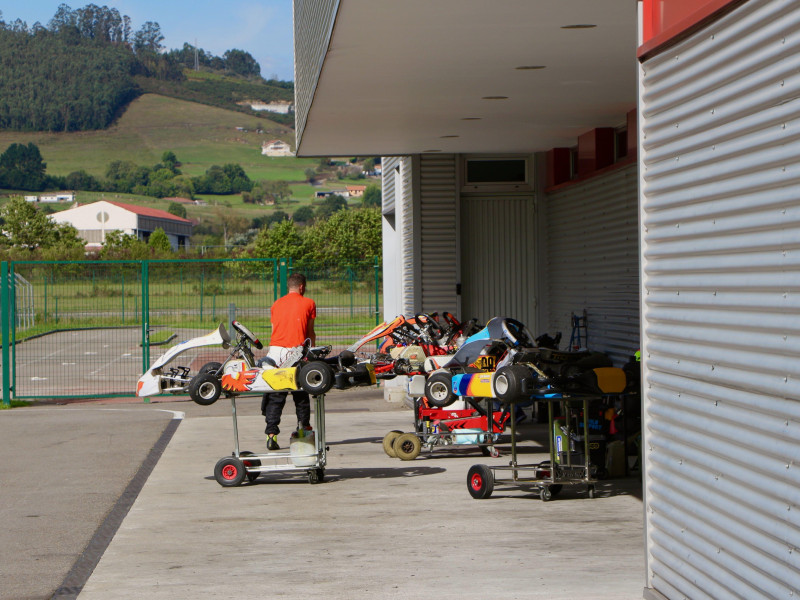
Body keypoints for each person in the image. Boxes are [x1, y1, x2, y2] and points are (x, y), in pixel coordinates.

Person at [261, 273, 316, 450]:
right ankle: (303, 429)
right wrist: (311, 355)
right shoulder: (309, 303)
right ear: (302, 287)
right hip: (296, 354)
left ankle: (271, 435)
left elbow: (274, 329)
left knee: (276, 397)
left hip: (275, 353)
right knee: (301, 394)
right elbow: (310, 332)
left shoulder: (276, 304)